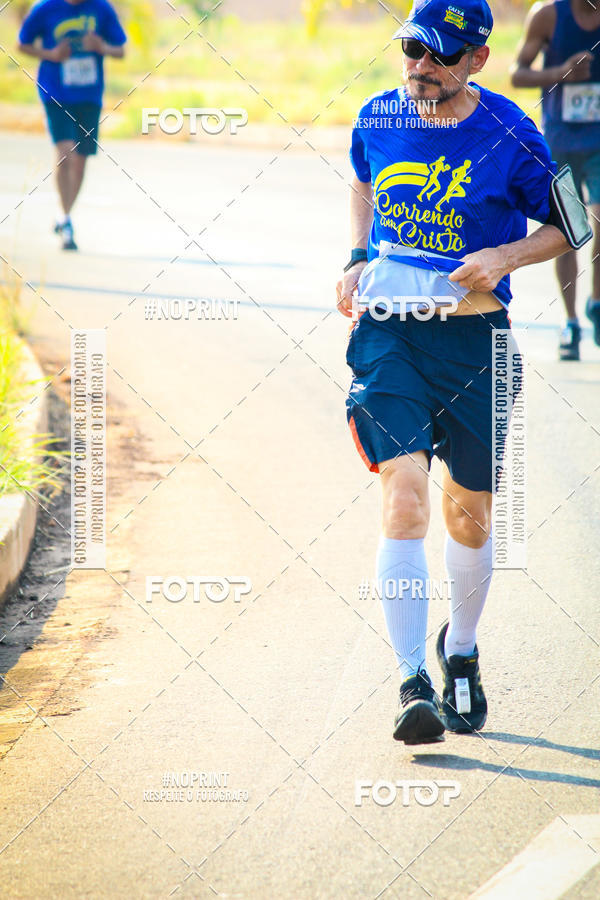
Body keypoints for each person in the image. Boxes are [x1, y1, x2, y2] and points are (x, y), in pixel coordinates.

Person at [336, 0, 575, 745]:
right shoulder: (377, 115)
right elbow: (361, 181)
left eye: (439, 55)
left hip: (476, 344)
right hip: (389, 336)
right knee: (403, 500)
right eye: (412, 49)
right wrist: (353, 257)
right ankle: (411, 681)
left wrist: (505, 258)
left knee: (468, 516)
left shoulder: (511, 132)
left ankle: (460, 652)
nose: (421, 67)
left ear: (475, 60)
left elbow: (575, 222)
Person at [511, 0, 600, 360]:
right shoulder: (547, 15)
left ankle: (596, 301)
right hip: (561, 141)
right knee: (566, 232)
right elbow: (517, 74)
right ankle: (571, 321)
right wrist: (561, 72)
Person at [18, 0, 126, 250]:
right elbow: (21, 43)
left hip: (88, 95)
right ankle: (66, 222)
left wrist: (101, 47)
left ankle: (64, 214)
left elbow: (120, 49)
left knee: (80, 161)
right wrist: (51, 55)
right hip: (55, 91)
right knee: (65, 154)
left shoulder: (101, 8)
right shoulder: (45, 7)